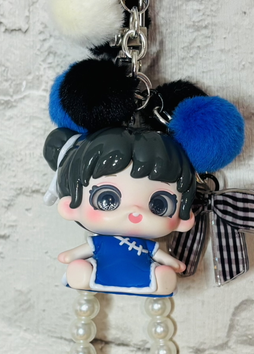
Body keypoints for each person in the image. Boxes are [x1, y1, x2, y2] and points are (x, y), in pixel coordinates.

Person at [44, 126, 197, 296]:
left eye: (160, 205)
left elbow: (161, 257)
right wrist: (71, 256)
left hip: (142, 274)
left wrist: (173, 264)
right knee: (81, 266)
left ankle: (161, 281)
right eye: (108, 199)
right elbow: (82, 251)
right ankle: (81, 274)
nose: (135, 212)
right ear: (69, 206)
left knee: (160, 272)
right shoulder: (101, 243)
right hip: (102, 272)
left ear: (184, 218)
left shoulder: (148, 246)